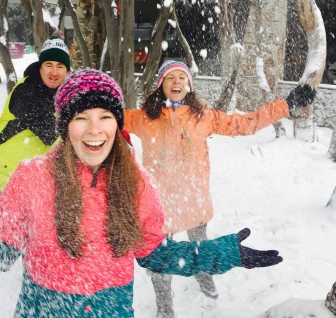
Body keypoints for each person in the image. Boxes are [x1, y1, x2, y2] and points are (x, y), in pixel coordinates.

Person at [0, 69, 283, 317]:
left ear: (117, 124)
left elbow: (157, 254)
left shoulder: (137, 185)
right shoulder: (31, 178)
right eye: (81, 117)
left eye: (105, 117)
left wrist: (225, 253)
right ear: (64, 125)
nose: (94, 129)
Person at [124, 60, 316, 317]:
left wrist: (285, 106)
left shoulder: (203, 116)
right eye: (170, 78)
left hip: (194, 200)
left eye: (182, 78)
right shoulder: (144, 118)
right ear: (161, 85)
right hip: (159, 205)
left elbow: (245, 123)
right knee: (160, 262)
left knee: (201, 248)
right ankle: (164, 309)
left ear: (189, 85)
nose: (177, 82)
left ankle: (206, 282)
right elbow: (108, 117)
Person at [0, 35, 70, 241]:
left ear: (67, 71)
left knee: (10, 237)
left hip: (24, 181)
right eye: (48, 65)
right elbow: (51, 134)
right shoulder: (27, 90)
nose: (54, 72)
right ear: (40, 67)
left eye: (60, 66)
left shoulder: (62, 97)